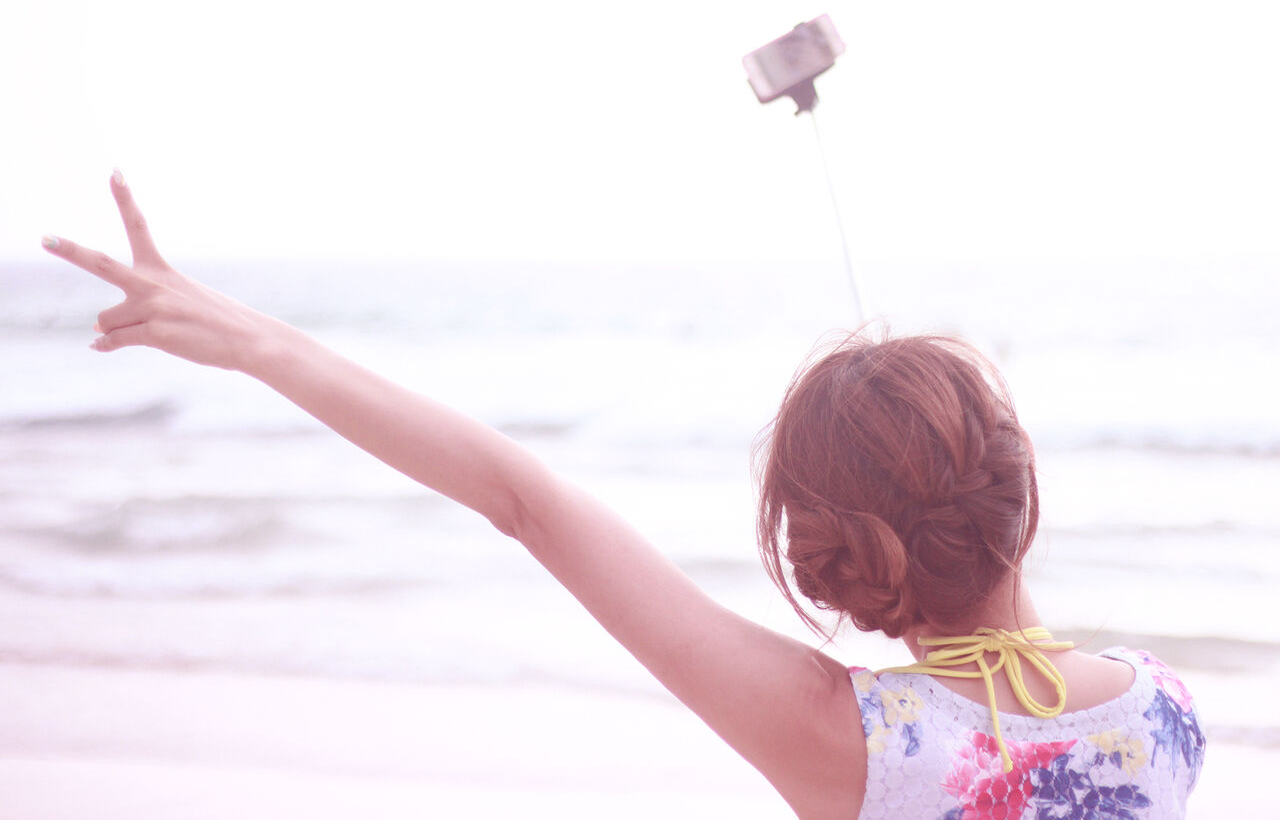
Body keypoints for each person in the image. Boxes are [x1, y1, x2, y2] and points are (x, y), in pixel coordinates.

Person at [42, 171, 1205, 819]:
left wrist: (256, 344)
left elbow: (523, 499)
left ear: (836, 569)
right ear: (1020, 493)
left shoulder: (847, 739)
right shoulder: (1166, 716)